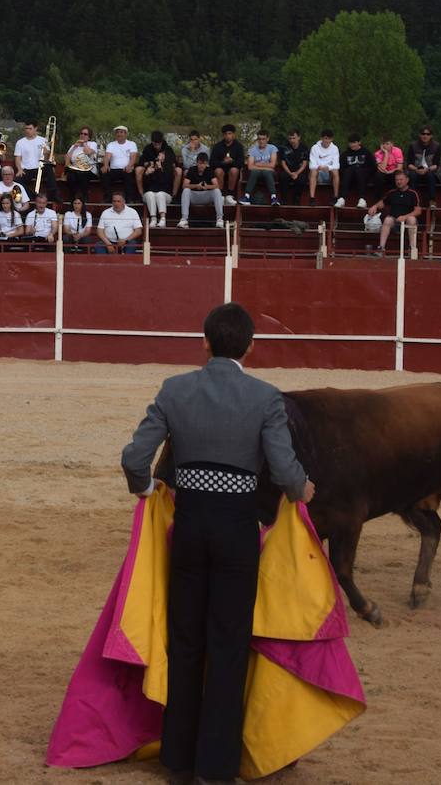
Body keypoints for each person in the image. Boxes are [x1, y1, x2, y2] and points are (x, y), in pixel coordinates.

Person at [119, 302, 313, 784]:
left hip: (189, 525)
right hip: (235, 529)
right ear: (250, 348)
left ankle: (179, 758)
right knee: (228, 645)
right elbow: (286, 473)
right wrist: (302, 490)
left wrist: (147, 490)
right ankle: (215, 766)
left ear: (204, 343)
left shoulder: (175, 390)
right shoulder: (266, 398)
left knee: (186, 639)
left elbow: (135, 458)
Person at [368, 170, 423, 257]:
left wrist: (405, 217)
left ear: (407, 180)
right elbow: (382, 203)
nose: (398, 182)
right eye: (397, 180)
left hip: (407, 221)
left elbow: (418, 211)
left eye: (401, 179)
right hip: (395, 221)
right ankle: (381, 248)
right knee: (388, 220)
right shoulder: (392, 192)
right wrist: (374, 206)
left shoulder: (413, 193)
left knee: (411, 219)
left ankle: (412, 249)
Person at [137, 130, 175, 225]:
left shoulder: (168, 151)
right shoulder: (148, 150)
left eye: (159, 144)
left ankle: (162, 219)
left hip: (164, 192)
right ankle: (153, 218)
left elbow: (168, 179)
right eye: (155, 144)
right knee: (150, 194)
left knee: (160, 194)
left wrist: (161, 168)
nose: (157, 146)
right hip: (150, 190)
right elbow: (141, 163)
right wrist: (147, 173)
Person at [179, 152, 223, 229]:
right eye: (200, 163)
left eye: (204, 163)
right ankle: (184, 219)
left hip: (206, 196)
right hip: (194, 196)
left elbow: (217, 185)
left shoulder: (209, 170)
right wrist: (196, 186)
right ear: (197, 163)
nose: (202, 166)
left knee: (217, 191)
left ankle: (219, 219)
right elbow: (184, 185)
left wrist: (207, 187)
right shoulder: (192, 170)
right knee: (186, 191)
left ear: (207, 164)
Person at [406, 126, 441, 208]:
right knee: (412, 175)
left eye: (428, 134)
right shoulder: (413, 146)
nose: (425, 136)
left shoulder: (436, 146)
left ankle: (432, 201)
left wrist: (427, 169)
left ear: (431, 136)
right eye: (423, 134)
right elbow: (409, 164)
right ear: (419, 135)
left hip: (430, 171)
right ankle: (412, 201)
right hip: (416, 171)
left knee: (430, 175)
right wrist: (416, 169)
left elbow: (436, 164)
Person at [336, 134, 375, 209]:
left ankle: (362, 199)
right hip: (349, 175)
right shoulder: (345, 154)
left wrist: (363, 171)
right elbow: (341, 167)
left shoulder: (366, 152)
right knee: (348, 171)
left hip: (363, 175)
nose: (352, 145)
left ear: (359, 142)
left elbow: (372, 166)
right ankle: (342, 199)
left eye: (354, 142)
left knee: (359, 171)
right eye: (350, 143)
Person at [209, 124, 246, 205]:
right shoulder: (217, 146)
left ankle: (230, 195)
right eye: (226, 134)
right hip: (220, 169)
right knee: (218, 171)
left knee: (234, 170)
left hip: (233, 170)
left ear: (233, 134)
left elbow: (241, 162)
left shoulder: (239, 146)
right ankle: (220, 195)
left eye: (230, 133)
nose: (228, 136)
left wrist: (232, 161)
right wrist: (223, 162)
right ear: (223, 135)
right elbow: (212, 162)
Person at [241, 130, 278, 207]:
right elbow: (250, 166)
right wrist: (266, 166)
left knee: (266, 172)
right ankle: (246, 197)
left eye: (263, 139)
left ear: (267, 139)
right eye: (259, 139)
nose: (261, 141)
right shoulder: (252, 150)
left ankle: (273, 198)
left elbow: (273, 165)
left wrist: (258, 164)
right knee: (255, 172)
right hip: (257, 172)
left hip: (269, 173)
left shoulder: (272, 148)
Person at [102, 126, 139, 200]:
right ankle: (108, 198)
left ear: (126, 134)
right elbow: (107, 157)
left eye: (121, 132)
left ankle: (130, 199)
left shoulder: (132, 144)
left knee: (129, 175)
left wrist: (129, 165)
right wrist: (105, 165)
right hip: (113, 169)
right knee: (104, 173)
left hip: (126, 169)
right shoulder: (111, 144)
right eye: (117, 132)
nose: (119, 134)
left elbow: (133, 157)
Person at [64, 126, 99, 204]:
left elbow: (88, 152)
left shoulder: (92, 144)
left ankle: (84, 197)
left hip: (89, 170)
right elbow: (67, 157)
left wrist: (84, 144)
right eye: (81, 133)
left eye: (85, 134)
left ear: (89, 136)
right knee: (71, 176)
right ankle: (72, 198)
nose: (83, 135)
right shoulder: (74, 146)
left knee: (82, 174)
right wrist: (75, 147)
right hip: (76, 169)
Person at [13, 121, 50, 196]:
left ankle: (54, 194)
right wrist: (19, 169)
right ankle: (32, 195)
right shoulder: (20, 142)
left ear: (36, 128)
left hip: (40, 168)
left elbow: (47, 159)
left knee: (50, 171)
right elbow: (17, 158)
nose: (27, 131)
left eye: (30, 128)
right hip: (26, 169)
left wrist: (46, 154)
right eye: (26, 128)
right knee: (16, 181)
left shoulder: (43, 140)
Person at [308, 129, 340, 206]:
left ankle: (335, 197)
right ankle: (312, 198)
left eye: (329, 139)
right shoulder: (315, 148)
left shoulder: (335, 148)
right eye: (325, 138)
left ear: (332, 139)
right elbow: (311, 165)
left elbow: (337, 165)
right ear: (321, 138)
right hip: (317, 174)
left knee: (335, 171)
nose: (327, 141)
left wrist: (328, 167)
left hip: (329, 174)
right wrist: (319, 167)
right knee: (313, 171)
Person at [276, 129, 308, 206]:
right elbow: (283, 163)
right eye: (290, 138)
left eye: (294, 138)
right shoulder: (284, 147)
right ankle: (284, 199)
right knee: (282, 177)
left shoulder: (304, 147)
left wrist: (296, 173)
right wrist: (290, 173)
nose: (292, 140)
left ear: (299, 137)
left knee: (301, 180)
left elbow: (304, 163)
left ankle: (296, 199)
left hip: (299, 171)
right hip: (288, 170)